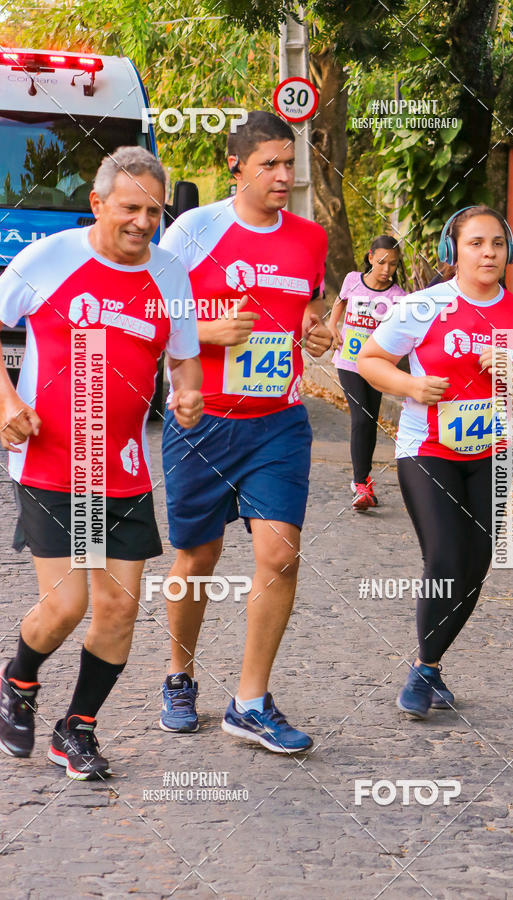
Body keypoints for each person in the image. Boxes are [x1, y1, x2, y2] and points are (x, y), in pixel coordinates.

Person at [0, 146, 203, 778]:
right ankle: (18, 682)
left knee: (117, 608)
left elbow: (184, 356)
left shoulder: (170, 274)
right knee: (65, 607)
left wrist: (187, 390)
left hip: (123, 468)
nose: (143, 222)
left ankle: (77, 728)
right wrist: (5, 398)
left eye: (154, 210)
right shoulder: (49, 259)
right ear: (98, 203)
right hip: (51, 464)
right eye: (130, 208)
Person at [158, 110, 331, 752]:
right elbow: (149, 312)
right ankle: (179, 675)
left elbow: (307, 311)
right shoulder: (192, 232)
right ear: (237, 165)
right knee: (198, 558)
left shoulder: (310, 239)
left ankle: (249, 702)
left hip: (277, 423)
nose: (284, 175)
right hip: (201, 419)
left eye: (290, 163)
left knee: (279, 555)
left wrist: (317, 331)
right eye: (270, 164)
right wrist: (203, 333)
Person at [358, 205, 513, 718]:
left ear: (509, 251)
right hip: (428, 450)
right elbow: (370, 361)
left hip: (499, 452)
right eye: (475, 243)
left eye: (496, 243)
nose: (488, 253)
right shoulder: (423, 307)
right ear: (453, 252)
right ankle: (424, 669)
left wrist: (512, 369)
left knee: (480, 562)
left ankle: (433, 667)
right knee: (445, 555)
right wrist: (411, 385)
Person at [329, 236, 406, 510]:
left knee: (370, 420)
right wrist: (332, 327)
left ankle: (365, 480)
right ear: (371, 257)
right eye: (382, 262)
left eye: (393, 264)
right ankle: (359, 483)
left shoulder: (398, 297)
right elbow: (339, 302)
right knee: (361, 418)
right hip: (349, 361)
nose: (387, 269)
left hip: (377, 365)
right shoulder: (352, 279)